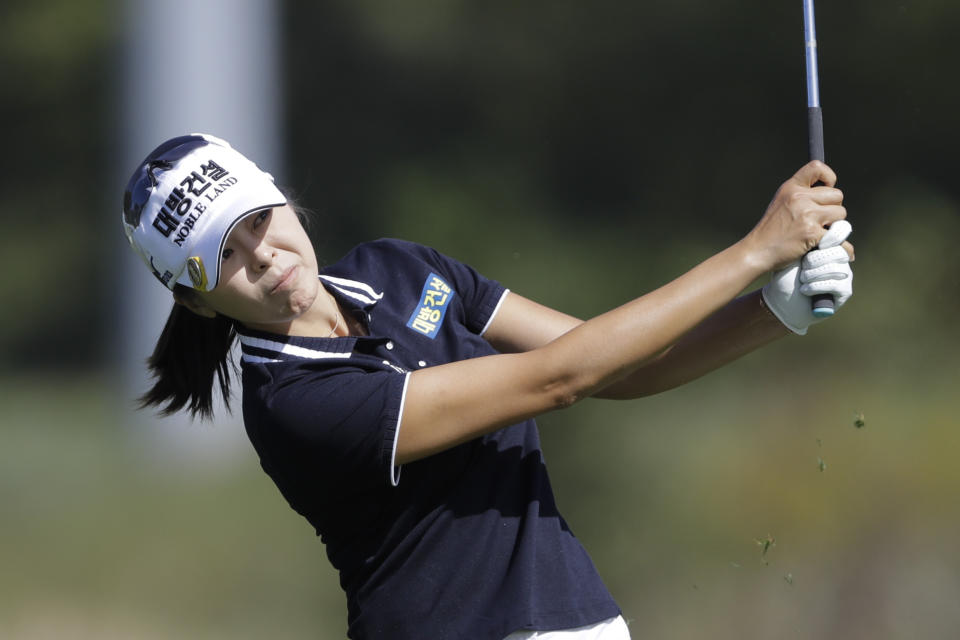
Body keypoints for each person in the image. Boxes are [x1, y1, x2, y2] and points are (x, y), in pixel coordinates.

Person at [121, 133, 854, 640]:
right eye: (223, 254)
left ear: (280, 198)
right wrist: (757, 249)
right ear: (195, 299)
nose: (263, 254)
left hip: (577, 619)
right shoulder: (293, 405)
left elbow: (622, 365)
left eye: (255, 220)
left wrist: (774, 308)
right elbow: (563, 377)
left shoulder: (399, 270)